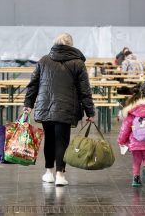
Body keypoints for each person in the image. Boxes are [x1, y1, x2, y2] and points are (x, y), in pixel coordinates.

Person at [23, 33, 95, 187]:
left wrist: (28, 104)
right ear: (71, 45)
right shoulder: (78, 63)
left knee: (49, 140)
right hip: (66, 108)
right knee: (62, 141)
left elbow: (33, 85)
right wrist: (90, 112)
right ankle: (60, 175)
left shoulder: (43, 60)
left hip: (45, 106)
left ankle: (48, 173)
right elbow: (85, 90)